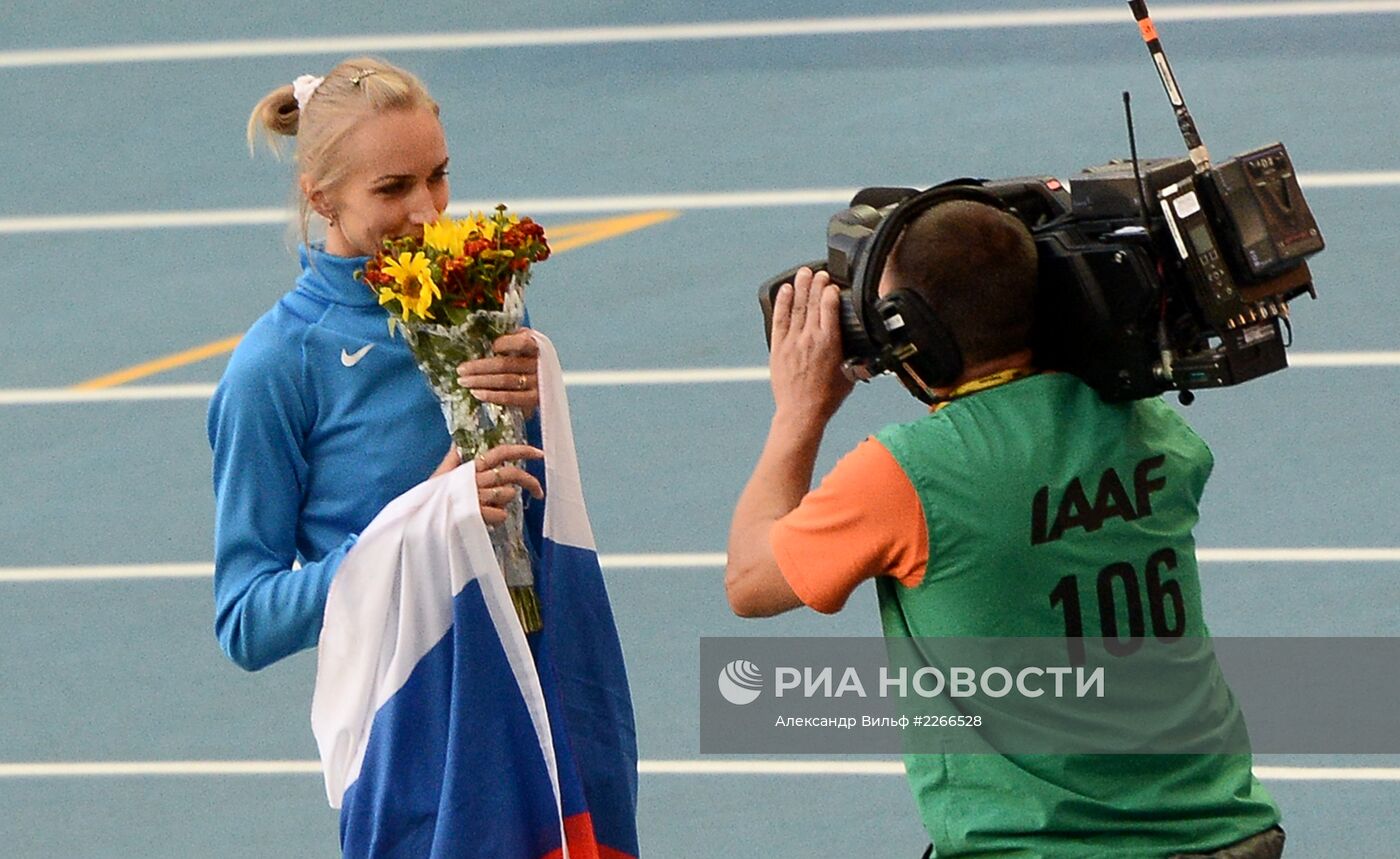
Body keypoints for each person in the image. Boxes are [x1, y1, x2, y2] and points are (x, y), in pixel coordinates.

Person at [724, 199, 1286, 858]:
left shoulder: (911, 472)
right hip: (1225, 831)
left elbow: (750, 580)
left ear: (919, 334)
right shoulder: (1153, 428)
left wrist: (800, 411)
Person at [209, 57, 637, 857]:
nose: (426, 210)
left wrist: (532, 399)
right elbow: (245, 619)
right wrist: (421, 520)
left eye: (438, 177)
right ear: (320, 196)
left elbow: (519, 494)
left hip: (539, 675)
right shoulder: (277, 364)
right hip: (412, 724)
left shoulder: (478, 294)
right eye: (392, 188)